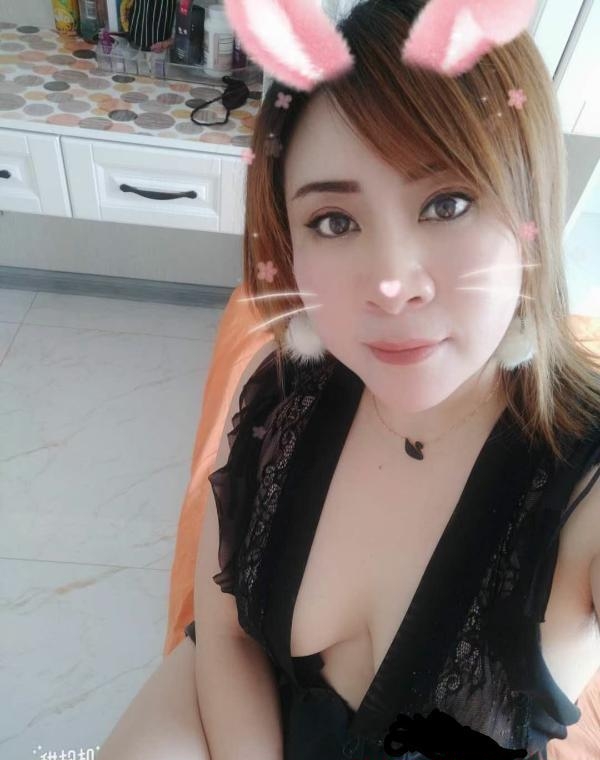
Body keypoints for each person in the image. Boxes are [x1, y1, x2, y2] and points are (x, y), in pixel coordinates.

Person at [96, 1, 600, 759]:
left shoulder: (585, 489)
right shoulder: (283, 394)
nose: (391, 286)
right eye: (334, 221)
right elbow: (227, 636)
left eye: (448, 203)